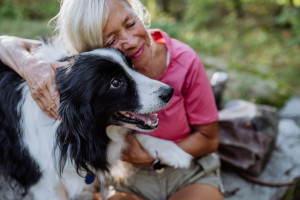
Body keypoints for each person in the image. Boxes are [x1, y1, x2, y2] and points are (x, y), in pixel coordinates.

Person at [0, 0, 224, 199]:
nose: (130, 41)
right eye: (111, 39)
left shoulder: (184, 60)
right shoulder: (86, 67)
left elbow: (209, 138)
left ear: (137, 14)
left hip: (190, 172)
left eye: (130, 23)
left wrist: (152, 157)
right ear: (91, 49)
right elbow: (4, 43)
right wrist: (28, 65)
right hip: (130, 180)